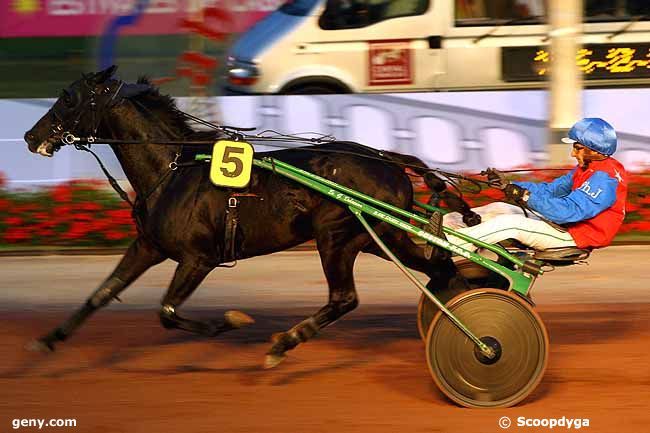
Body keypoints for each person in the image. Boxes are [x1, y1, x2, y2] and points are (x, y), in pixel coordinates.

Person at [444, 117, 628, 252]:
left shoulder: (605, 180)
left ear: (594, 150)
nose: (572, 154)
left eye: (577, 148)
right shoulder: (585, 168)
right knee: (501, 208)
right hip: (562, 226)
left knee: (510, 224)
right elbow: (550, 191)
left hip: (575, 237)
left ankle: (448, 245)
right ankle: (446, 226)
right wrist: (509, 185)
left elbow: (567, 212)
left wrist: (525, 196)